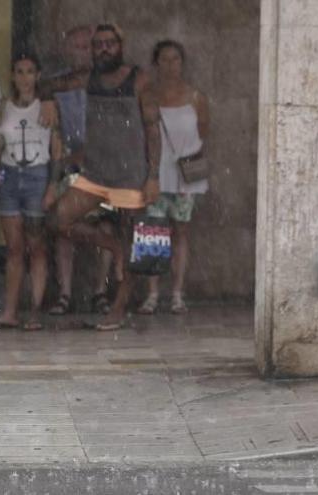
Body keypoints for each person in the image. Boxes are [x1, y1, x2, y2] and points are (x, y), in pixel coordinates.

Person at [47, 24, 161, 330]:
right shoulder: (88, 78)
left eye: (110, 43)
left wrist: (153, 176)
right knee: (58, 219)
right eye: (98, 45)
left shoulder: (140, 80)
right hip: (95, 174)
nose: (104, 49)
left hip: (131, 177)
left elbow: (153, 130)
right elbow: (49, 86)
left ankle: (119, 308)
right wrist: (46, 101)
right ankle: (111, 246)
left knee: (134, 242)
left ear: (121, 45)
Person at [0, 53, 62, 330]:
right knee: (15, 248)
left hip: (37, 176)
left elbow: (57, 149)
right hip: (9, 177)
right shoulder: (3, 106)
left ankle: (35, 310)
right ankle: (10, 311)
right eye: (19, 71)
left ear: (38, 75)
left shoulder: (48, 107)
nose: (25, 77)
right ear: (13, 75)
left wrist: (53, 184)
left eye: (30, 71)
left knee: (37, 246)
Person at [41, 25, 115, 316]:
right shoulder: (57, 86)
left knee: (106, 225)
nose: (84, 52)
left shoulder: (109, 81)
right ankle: (65, 293)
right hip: (69, 166)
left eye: (89, 47)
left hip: (105, 167)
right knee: (63, 228)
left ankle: (100, 291)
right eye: (78, 47)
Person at [136, 40, 209, 315]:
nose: (170, 65)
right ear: (156, 64)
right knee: (153, 231)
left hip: (185, 174)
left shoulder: (195, 97)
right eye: (164, 59)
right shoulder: (149, 94)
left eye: (175, 59)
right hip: (156, 172)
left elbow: (203, 131)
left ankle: (177, 293)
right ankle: (152, 293)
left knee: (181, 231)